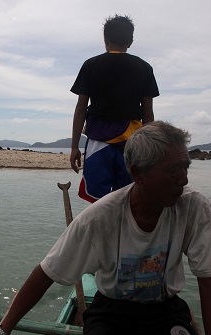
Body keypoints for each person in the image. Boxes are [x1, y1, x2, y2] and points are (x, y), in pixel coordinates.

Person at [0, 121, 211, 335]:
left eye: (186, 167)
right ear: (138, 173)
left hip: (165, 312)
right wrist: (1, 333)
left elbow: (209, 280)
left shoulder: (194, 208)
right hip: (112, 313)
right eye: (173, 170)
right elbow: (46, 273)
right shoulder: (99, 218)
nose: (183, 180)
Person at [70, 14, 160, 203]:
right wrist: (148, 149)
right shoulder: (144, 68)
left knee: (98, 202)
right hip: (132, 143)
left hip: (98, 143)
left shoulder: (91, 65)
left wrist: (74, 147)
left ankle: (100, 232)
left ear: (105, 39)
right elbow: (148, 114)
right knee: (129, 199)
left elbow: (80, 108)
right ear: (131, 40)